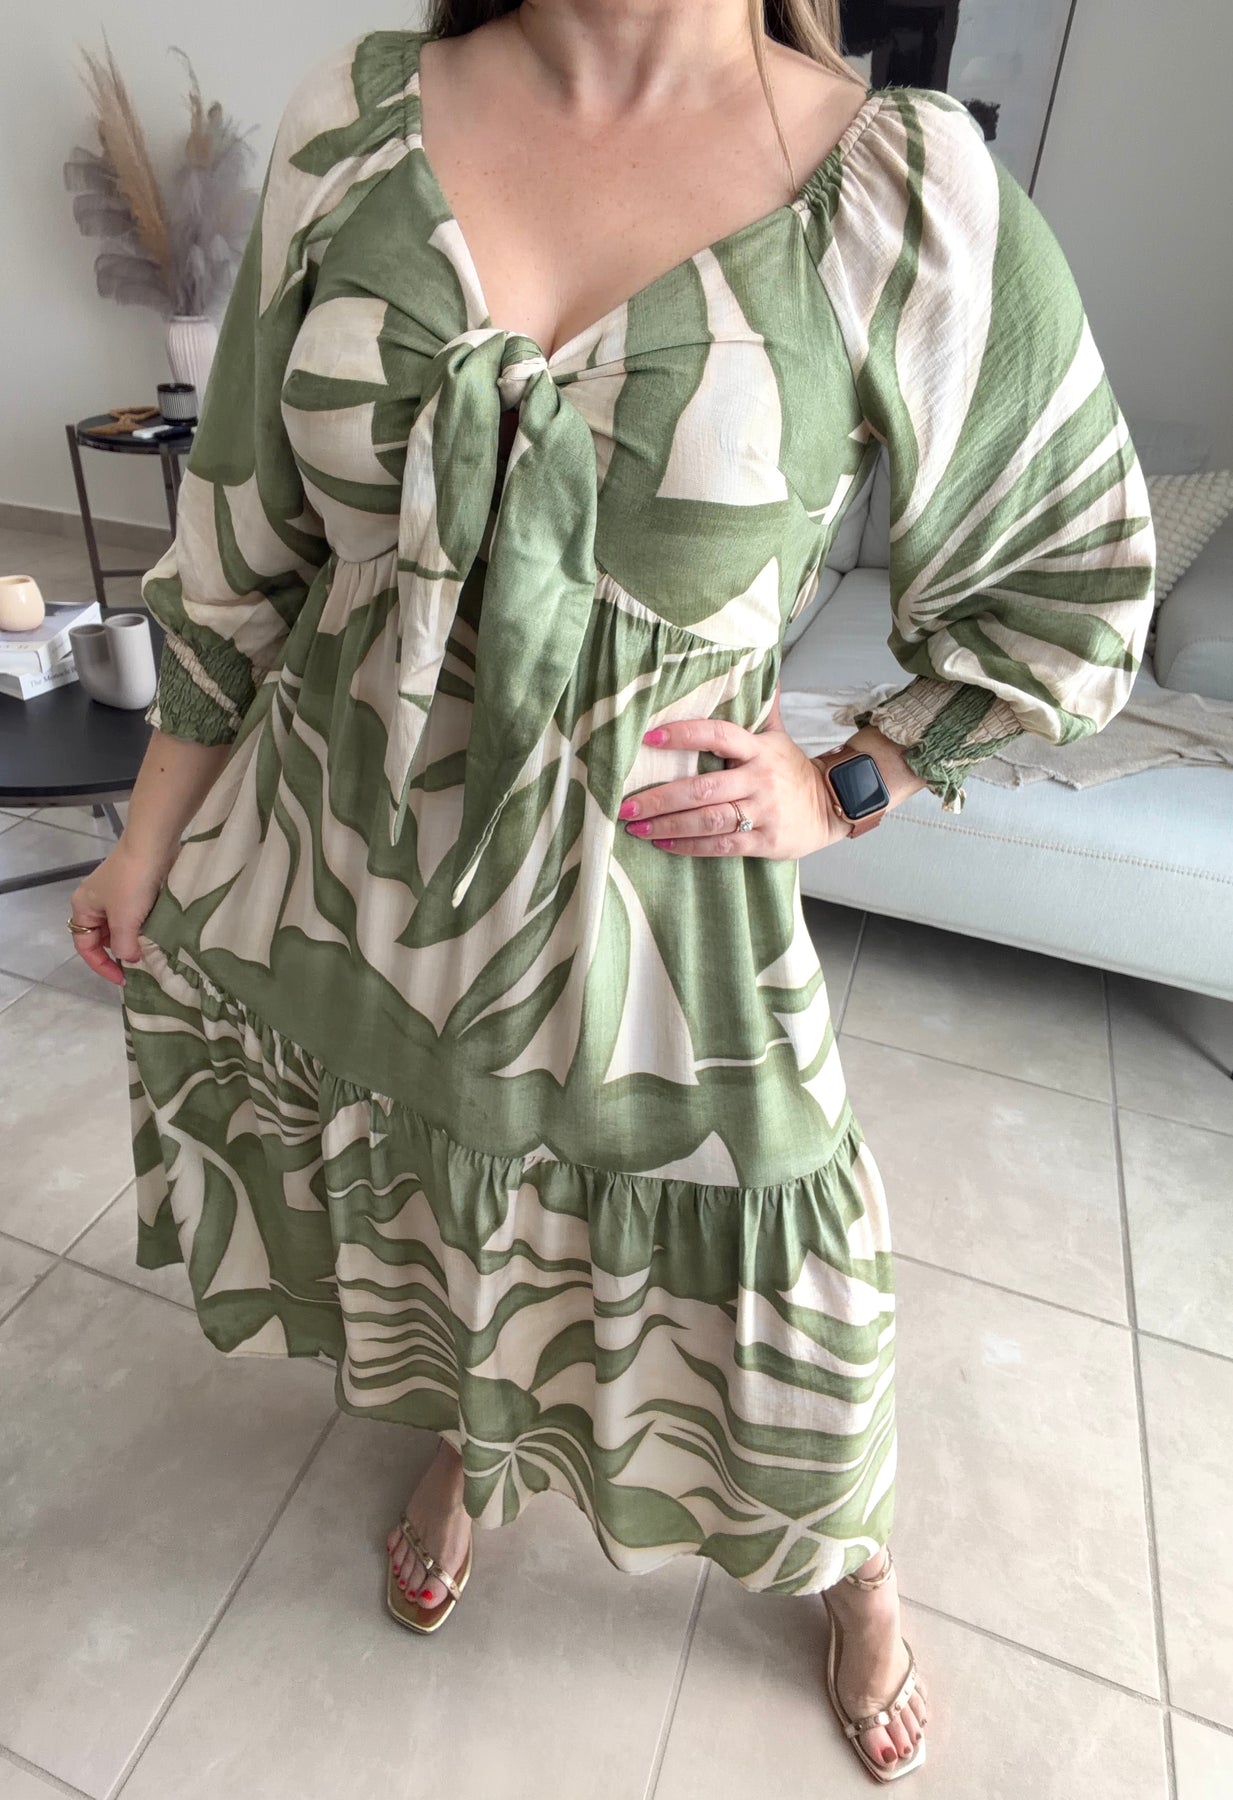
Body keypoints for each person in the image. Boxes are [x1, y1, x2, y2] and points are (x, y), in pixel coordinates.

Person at [66, 0, 1155, 1782]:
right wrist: (147, 831)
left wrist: (850, 778)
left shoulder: (899, 187)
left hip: (654, 897)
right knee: (439, 1200)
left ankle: (847, 1558)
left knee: (788, 1270)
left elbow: (1069, 576)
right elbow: (243, 530)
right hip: (359, 858)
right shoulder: (356, 119)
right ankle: (473, 1436)